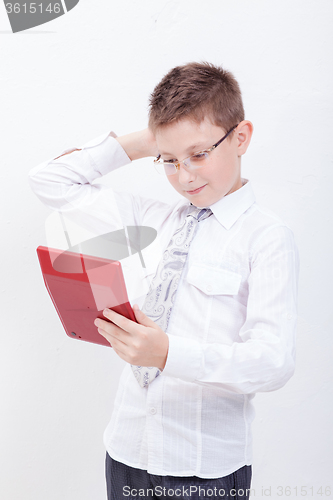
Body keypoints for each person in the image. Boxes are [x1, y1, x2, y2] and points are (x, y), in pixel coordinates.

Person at [29, 62, 300, 499]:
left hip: (204, 468)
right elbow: (50, 180)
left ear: (241, 137)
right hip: (127, 452)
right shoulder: (152, 220)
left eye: (198, 154)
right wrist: (150, 139)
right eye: (169, 161)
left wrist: (169, 354)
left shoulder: (267, 238)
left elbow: (273, 361)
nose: (185, 176)